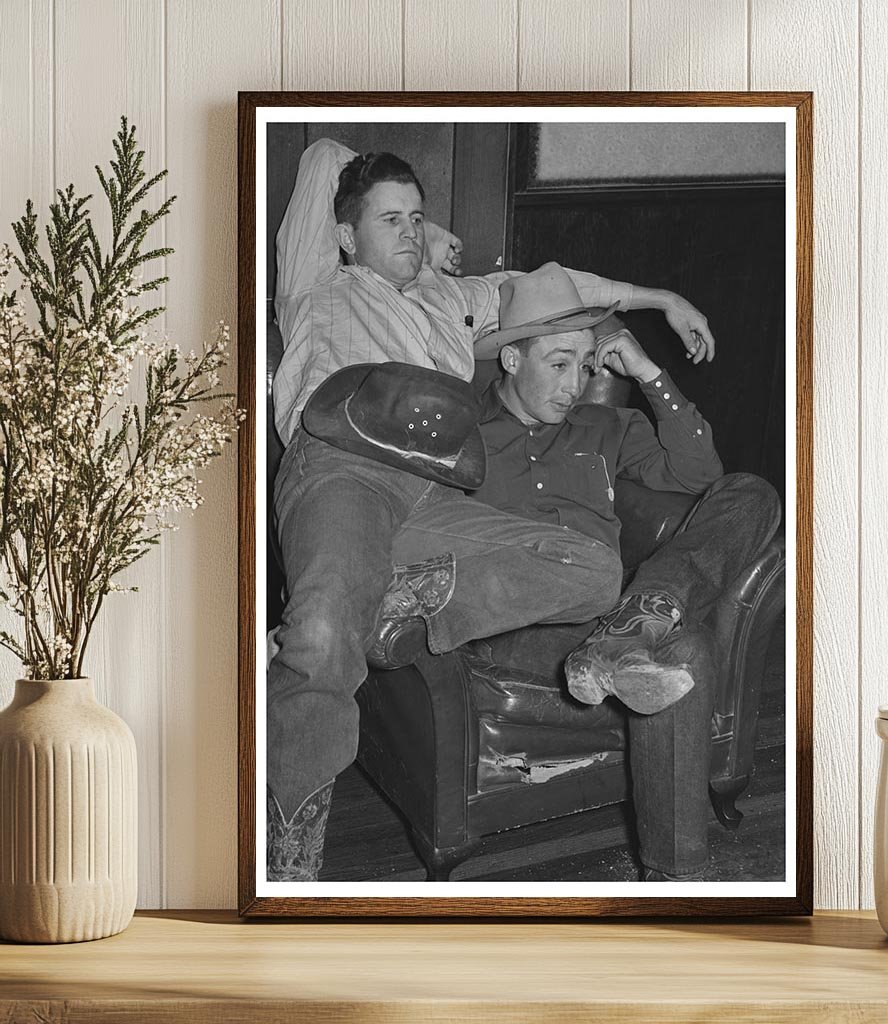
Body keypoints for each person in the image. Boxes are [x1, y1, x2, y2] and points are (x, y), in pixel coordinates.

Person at [268, 138, 721, 882]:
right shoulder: (321, 281)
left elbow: (560, 284)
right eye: (391, 221)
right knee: (320, 637)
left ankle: (394, 603)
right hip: (346, 470)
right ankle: (288, 878)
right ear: (345, 236)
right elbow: (320, 155)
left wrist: (658, 299)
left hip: (437, 493)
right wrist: (434, 230)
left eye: (418, 218)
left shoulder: (457, 299)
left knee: (592, 567)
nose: (411, 233)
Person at [462, 264, 782, 880]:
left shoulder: (604, 425)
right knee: (682, 650)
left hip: (611, 612)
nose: (574, 384)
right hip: (523, 623)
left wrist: (650, 374)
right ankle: (676, 875)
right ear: (509, 360)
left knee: (752, 492)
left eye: (584, 366)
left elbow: (699, 475)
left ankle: (635, 625)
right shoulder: (463, 435)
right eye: (557, 364)